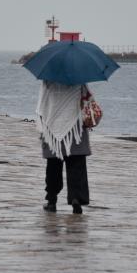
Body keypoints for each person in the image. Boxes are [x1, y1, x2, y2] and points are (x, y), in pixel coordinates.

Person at [36, 81, 91, 213]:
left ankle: (51, 201)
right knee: (77, 167)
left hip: (52, 129)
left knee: (53, 167)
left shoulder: (48, 81)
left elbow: (42, 106)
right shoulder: (80, 80)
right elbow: (87, 100)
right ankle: (76, 198)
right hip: (75, 130)